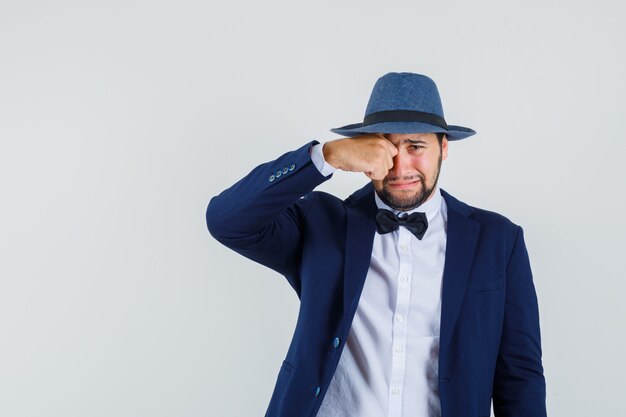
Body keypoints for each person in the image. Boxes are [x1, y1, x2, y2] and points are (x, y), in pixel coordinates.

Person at [206, 72, 547, 417]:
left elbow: (519, 375)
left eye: (416, 146)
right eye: (384, 147)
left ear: (444, 147)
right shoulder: (321, 222)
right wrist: (325, 157)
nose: (399, 165)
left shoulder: (498, 240)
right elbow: (226, 220)